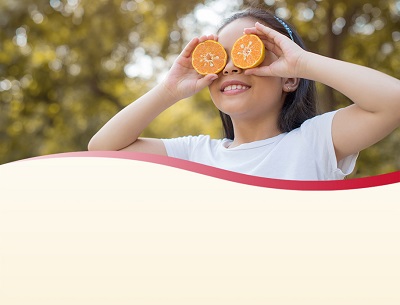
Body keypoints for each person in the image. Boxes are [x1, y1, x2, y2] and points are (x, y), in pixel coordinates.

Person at [88, 7, 400, 181]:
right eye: (219, 57)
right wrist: (169, 90)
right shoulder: (194, 155)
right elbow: (103, 149)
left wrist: (303, 62)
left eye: (249, 53)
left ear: (289, 78)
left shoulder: (314, 142)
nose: (231, 66)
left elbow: (392, 100)